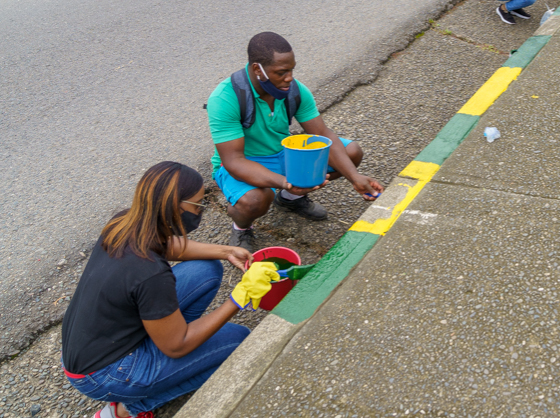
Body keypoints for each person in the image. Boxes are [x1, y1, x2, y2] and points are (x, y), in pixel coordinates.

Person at [61, 162, 276, 418]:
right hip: (103, 374)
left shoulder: (123, 222)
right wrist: (238, 298)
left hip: (91, 344)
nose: (200, 211)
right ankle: (124, 409)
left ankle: (163, 346)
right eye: (197, 205)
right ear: (172, 208)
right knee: (238, 340)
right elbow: (177, 346)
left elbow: (167, 245)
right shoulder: (150, 274)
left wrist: (227, 251)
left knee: (206, 271)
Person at [207, 32, 384, 252]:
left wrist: (354, 177)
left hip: (283, 152)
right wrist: (285, 181)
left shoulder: (294, 90)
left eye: (291, 70)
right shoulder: (225, 98)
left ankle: (289, 198)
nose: (289, 78)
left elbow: (323, 134)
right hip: (244, 161)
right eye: (281, 72)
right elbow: (234, 160)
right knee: (253, 201)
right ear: (257, 70)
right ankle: (241, 228)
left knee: (351, 153)